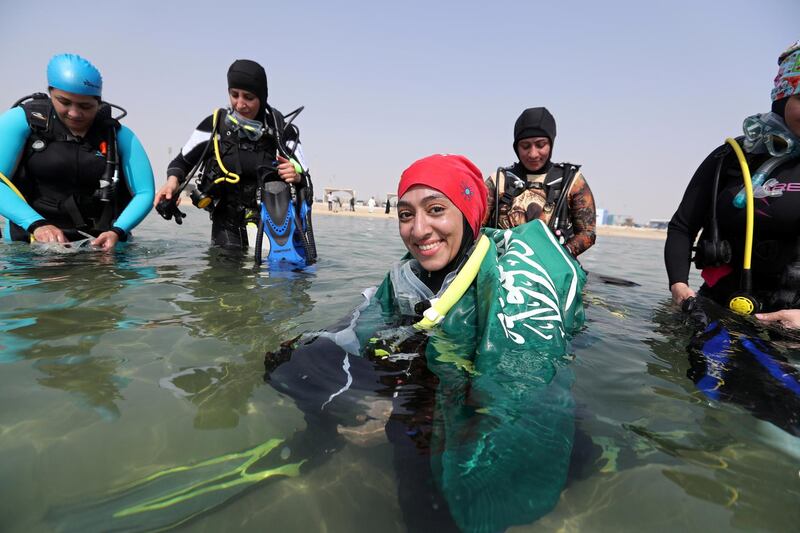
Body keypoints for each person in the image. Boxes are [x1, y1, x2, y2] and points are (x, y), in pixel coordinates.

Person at [665, 41, 800, 326]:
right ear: (782, 98)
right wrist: (678, 285)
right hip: (714, 310)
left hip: (792, 327)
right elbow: (682, 226)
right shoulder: (732, 156)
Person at [154, 59, 312, 256]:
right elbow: (182, 162)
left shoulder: (282, 128)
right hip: (226, 224)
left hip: (272, 223)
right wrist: (171, 182)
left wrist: (296, 176)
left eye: (248, 97)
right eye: (234, 95)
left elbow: (305, 177)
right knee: (222, 280)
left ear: (262, 98)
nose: (240, 103)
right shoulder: (215, 124)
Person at [0, 53, 154, 250]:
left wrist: (118, 230)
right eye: (64, 102)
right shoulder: (21, 120)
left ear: (98, 102)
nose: (74, 113)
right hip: (29, 243)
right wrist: (36, 224)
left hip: (100, 247)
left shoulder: (118, 134)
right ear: (50, 92)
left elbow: (144, 192)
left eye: (85, 106)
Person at [485, 107, 596, 257]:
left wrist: (562, 254)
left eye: (540, 145)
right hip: (504, 261)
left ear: (551, 144)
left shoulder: (572, 180)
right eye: (525, 146)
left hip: (554, 265)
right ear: (516, 147)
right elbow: (476, 226)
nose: (533, 153)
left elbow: (588, 233)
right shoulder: (498, 180)